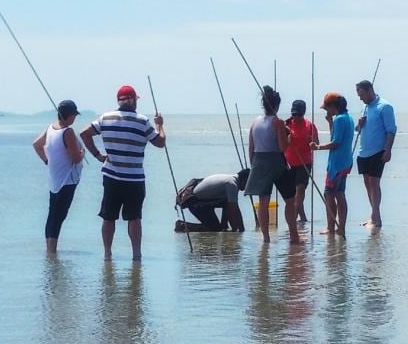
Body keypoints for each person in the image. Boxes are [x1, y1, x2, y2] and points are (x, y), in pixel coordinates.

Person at [80, 84, 166, 260]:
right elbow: (160, 143)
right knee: (134, 218)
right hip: (134, 178)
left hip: (111, 176)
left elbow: (84, 134)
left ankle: (107, 254)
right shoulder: (142, 121)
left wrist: (98, 155)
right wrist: (160, 126)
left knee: (108, 217)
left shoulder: (106, 117)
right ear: (133, 101)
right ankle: (136, 254)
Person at [245, 85, 301, 245]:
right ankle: (293, 236)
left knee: (263, 201)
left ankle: (266, 237)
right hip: (276, 163)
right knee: (290, 199)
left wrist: (254, 165)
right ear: (276, 105)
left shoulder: (255, 122)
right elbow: (283, 147)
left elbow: (251, 147)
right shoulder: (278, 122)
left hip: (258, 162)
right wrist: (288, 135)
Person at [32, 99, 85, 255]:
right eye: (74, 115)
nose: (75, 118)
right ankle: (52, 251)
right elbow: (75, 158)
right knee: (60, 215)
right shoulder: (67, 132)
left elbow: (36, 144)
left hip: (54, 179)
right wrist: (82, 153)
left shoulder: (50, 128)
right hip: (67, 180)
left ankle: (49, 250)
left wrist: (47, 161)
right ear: (69, 115)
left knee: (52, 214)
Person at [355, 79, 397, 230]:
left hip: (378, 151)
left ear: (369, 90)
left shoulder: (384, 106)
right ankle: (373, 214)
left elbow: (391, 130)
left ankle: (376, 217)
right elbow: (358, 129)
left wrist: (388, 149)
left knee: (374, 182)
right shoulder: (365, 108)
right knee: (367, 183)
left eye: (361, 94)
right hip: (363, 151)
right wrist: (359, 124)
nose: (360, 98)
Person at [311, 92, 354, 239]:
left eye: (327, 108)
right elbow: (335, 136)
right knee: (339, 194)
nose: (326, 111)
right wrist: (330, 122)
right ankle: (340, 228)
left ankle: (332, 228)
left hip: (337, 164)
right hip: (346, 162)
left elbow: (335, 143)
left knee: (329, 194)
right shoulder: (348, 118)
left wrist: (317, 147)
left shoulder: (340, 120)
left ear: (333, 106)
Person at [175, 168, 251, 232]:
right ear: (244, 180)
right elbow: (233, 210)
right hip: (196, 204)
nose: (247, 187)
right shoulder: (232, 184)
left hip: (203, 201)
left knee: (227, 203)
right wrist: (238, 231)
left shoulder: (231, 179)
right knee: (215, 229)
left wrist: (241, 229)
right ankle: (182, 226)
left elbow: (234, 208)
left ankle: (223, 226)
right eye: (248, 183)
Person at [284, 99, 319, 222]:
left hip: (304, 163)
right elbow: (282, 143)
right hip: (289, 163)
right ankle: (302, 218)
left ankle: (293, 217)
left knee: (300, 190)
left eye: (298, 114)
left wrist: (311, 141)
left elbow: (317, 144)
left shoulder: (309, 125)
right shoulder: (287, 125)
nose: (296, 117)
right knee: (293, 194)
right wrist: (287, 136)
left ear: (303, 113)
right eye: (294, 114)